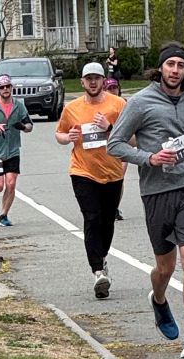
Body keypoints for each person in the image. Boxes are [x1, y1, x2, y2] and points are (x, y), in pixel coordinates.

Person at [107, 42, 184, 359]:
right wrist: (149, 158)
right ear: (161, 68)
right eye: (170, 64)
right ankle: (158, 298)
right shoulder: (141, 102)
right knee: (165, 267)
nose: (175, 70)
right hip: (156, 192)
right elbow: (114, 144)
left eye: (180, 65)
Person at [55, 63, 128, 299]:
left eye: (97, 78)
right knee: (92, 217)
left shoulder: (118, 105)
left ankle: (101, 257)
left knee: (107, 221)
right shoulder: (72, 108)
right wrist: (68, 137)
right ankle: (98, 271)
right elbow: (59, 134)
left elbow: (132, 138)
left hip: (112, 172)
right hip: (82, 171)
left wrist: (110, 128)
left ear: (104, 81)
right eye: (89, 79)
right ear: (82, 82)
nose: (93, 82)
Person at [0, 74, 33, 227]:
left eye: (7, 86)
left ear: (11, 87)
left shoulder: (18, 105)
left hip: (13, 150)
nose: (5, 89)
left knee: (11, 184)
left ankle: (3, 215)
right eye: (2, 87)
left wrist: (23, 127)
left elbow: (29, 125)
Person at [104, 77, 126, 222]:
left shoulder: (124, 104)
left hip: (122, 146)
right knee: (106, 178)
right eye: (109, 88)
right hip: (104, 146)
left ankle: (114, 208)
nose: (112, 90)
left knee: (119, 177)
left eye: (114, 87)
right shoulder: (101, 104)